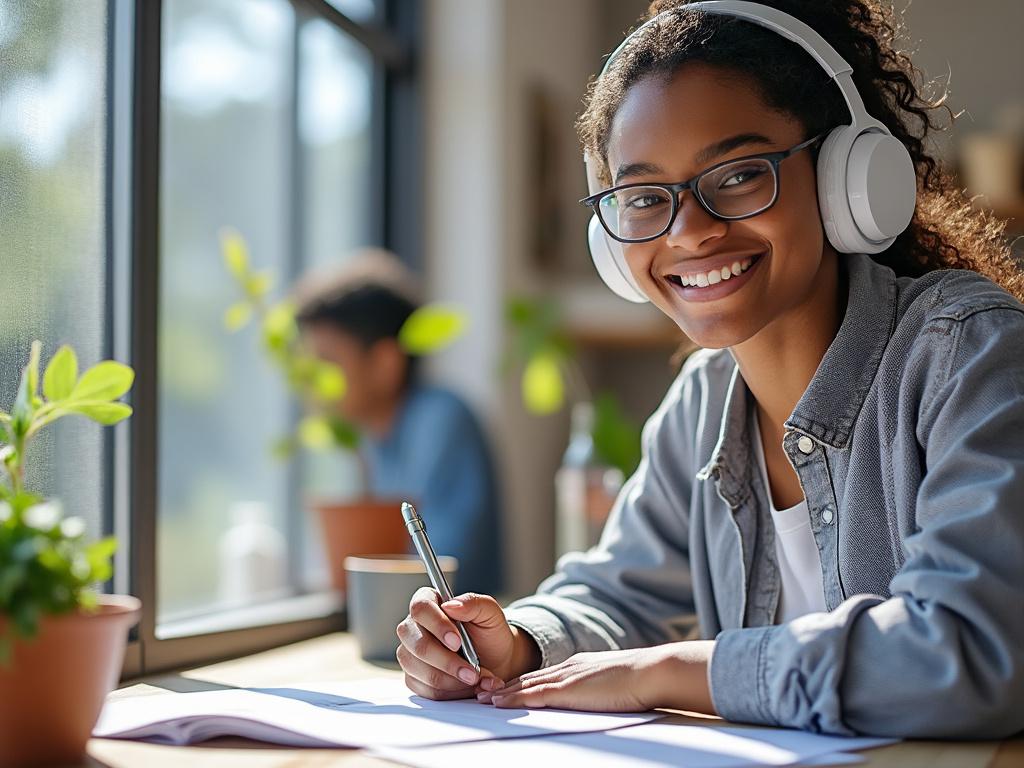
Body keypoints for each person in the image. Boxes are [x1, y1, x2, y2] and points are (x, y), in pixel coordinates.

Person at [394, 0, 1024, 739]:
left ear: (845, 176)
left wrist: (666, 671)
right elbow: (617, 591)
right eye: (642, 196)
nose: (689, 231)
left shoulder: (967, 353)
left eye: (737, 175)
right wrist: (518, 643)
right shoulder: (703, 401)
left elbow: (973, 654)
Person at [294, 248, 504, 596]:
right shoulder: (372, 438)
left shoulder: (441, 421)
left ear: (385, 363)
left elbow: (440, 569)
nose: (313, 383)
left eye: (327, 362)